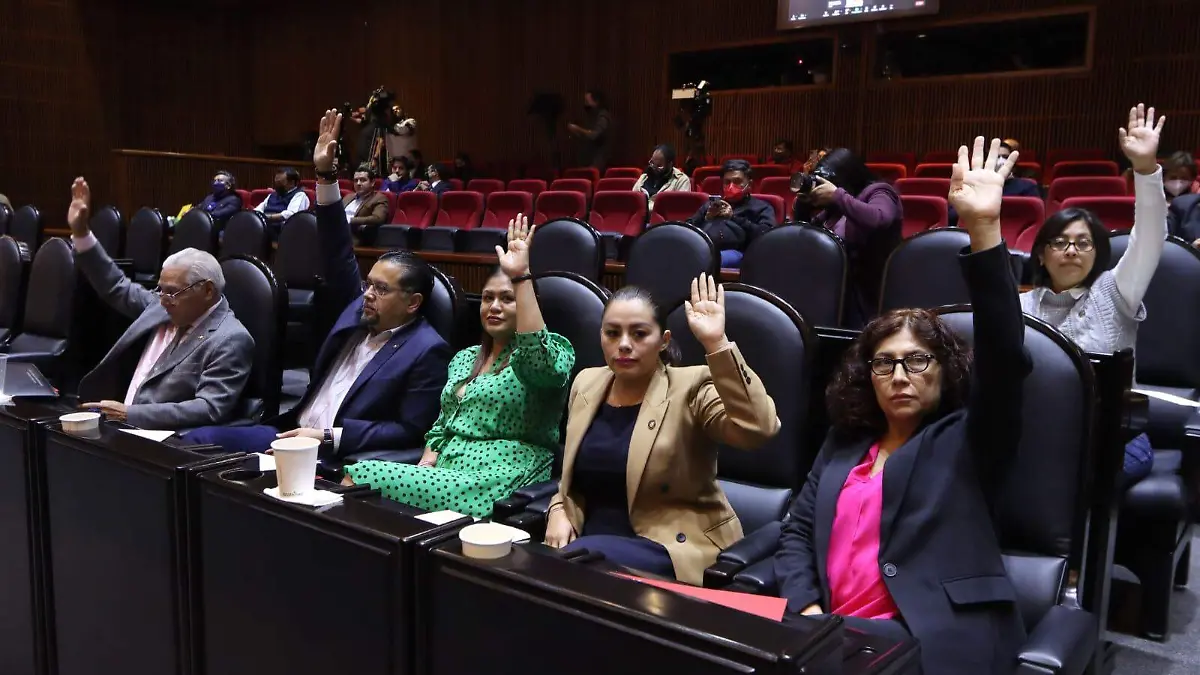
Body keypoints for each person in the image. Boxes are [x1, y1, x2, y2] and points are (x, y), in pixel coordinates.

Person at [773, 137, 1032, 675]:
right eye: (884, 363)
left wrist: (984, 229)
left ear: (946, 369)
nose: (898, 376)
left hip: (928, 641)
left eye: (916, 361)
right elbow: (797, 531)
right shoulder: (845, 442)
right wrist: (808, 610)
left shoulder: (970, 438)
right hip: (831, 639)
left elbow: (1006, 356)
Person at [186, 110, 452, 458]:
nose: (368, 294)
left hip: (330, 457)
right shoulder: (356, 312)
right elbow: (337, 252)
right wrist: (326, 176)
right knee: (193, 441)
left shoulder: (427, 350)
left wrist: (329, 437)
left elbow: (409, 430)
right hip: (286, 435)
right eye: (369, 284)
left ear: (413, 302)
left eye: (382, 289)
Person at [543, 277, 779, 584]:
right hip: (590, 541)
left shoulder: (691, 387)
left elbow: (758, 428)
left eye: (639, 333)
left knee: (577, 562)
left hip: (671, 545)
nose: (623, 344)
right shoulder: (587, 383)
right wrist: (559, 508)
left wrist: (716, 343)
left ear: (664, 340)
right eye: (612, 333)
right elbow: (570, 480)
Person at [341, 216, 575, 517]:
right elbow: (442, 426)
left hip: (502, 476)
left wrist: (521, 278)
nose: (494, 306)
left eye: (508, 299)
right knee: (367, 490)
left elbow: (539, 363)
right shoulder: (465, 358)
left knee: (362, 475)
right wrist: (426, 465)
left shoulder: (551, 352)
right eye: (488, 298)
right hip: (448, 471)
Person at [1021, 103, 1168, 486]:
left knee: (1066, 477)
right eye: (1060, 242)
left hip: (1113, 435)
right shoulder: (1021, 307)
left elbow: (1150, 237)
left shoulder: (1116, 290)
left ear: (1097, 252)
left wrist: (1145, 170)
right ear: (1041, 254)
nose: (1071, 250)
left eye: (1083, 243)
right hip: (1044, 434)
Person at [65, 177, 254, 430]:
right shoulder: (162, 305)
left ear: (207, 291)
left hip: (161, 438)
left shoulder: (230, 339)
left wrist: (130, 414)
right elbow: (115, 286)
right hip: (116, 422)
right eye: (160, 290)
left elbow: (209, 408)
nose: (162, 300)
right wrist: (81, 233)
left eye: (172, 292)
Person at [794, 148, 903, 327]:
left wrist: (837, 195)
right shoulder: (838, 205)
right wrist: (804, 206)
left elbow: (879, 218)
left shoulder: (880, 191)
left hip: (871, 286)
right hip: (838, 284)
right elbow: (810, 233)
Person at [685, 159, 775, 268]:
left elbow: (766, 235)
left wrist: (733, 217)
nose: (731, 186)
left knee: (708, 260)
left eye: (737, 181)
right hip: (704, 249)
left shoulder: (761, 207)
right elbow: (687, 228)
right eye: (727, 182)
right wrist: (705, 218)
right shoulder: (712, 205)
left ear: (749, 184)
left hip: (739, 253)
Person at [947, 140, 1039, 227]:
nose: (1001, 161)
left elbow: (1035, 219)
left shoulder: (1027, 186)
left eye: (1005, 157)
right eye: (997, 157)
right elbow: (951, 217)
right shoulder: (973, 184)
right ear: (986, 161)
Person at [632, 144, 691, 210]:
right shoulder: (643, 177)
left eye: (659, 166)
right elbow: (633, 201)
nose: (654, 167)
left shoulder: (681, 180)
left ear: (670, 164)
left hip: (665, 216)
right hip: (641, 215)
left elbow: (680, 209)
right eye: (652, 163)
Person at [254, 167, 310, 237]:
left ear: (292, 183)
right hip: (264, 226)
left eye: (280, 183)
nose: (277, 185)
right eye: (276, 182)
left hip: (283, 231)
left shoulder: (299, 195)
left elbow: (291, 214)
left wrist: (268, 217)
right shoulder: (272, 194)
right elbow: (259, 209)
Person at [343, 163, 390, 244]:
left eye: (363, 180)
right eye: (356, 180)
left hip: (355, 237)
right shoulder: (348, 197)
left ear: (372, 182)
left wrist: (349, 220)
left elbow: (378, 218)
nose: (358, 183)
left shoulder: (379, 198)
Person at [568, 89, 614, 171]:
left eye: (587, 101)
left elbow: (594, 135)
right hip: (588, 159)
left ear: (596, 102)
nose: (585, 104)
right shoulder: (592, 117)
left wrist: (578, 129)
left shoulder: (603, 117)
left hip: (597, 161)